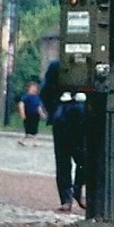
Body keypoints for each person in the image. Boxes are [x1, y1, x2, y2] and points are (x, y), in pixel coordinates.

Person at [39, 60, 87, 213]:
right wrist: (54, 112)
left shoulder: (91, 64)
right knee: (63, 159)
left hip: (84, 114)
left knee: (85, 158)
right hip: (63, 115)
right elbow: (46, 91)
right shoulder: (56, 66)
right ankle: (66, 198)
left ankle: (78, 191)